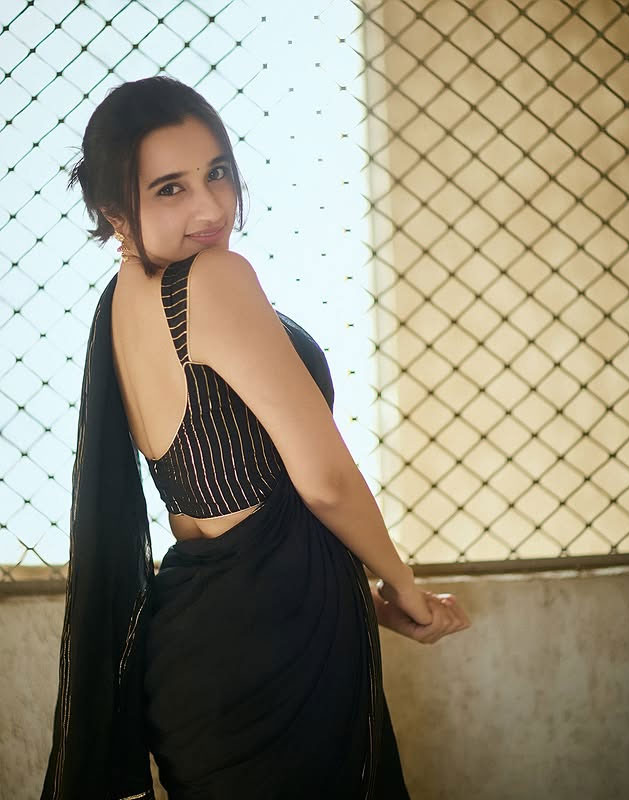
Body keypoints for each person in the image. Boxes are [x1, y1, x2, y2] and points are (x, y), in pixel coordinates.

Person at [40, 75, 471, 800]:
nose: (211, 207)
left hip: (196, 643)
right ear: (115, 212)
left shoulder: (119, 305)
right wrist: (407, 591)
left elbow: (235, 513)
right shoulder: (213, 279)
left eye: (217, 172)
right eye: (170, 189)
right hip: (273, 651)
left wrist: (369, 603)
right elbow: (323, 482)